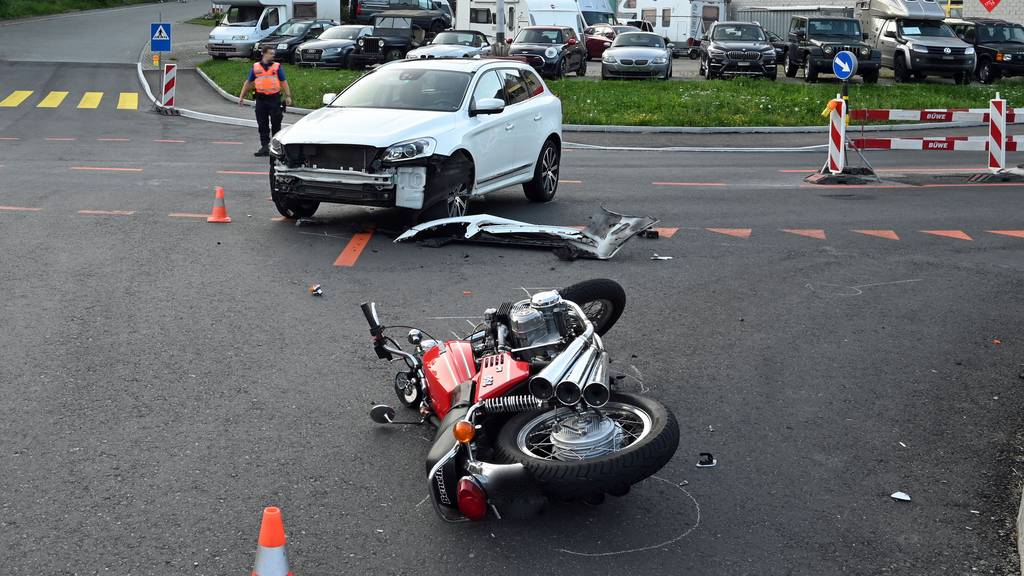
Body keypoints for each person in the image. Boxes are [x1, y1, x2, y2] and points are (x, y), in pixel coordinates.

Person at [238, 47, 293, 156]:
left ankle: (277, 147)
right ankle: (264, 147)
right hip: (261, 100)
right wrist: (241, 97)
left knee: (276, 123)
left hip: (274, 99)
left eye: (274, 53)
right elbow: (248, 82)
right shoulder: (256, 67)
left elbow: (283, 82)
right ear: (263, 54)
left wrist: (288, 96)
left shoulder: (277, 67)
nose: (273, 55)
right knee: (262, 124)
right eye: (271, 53)